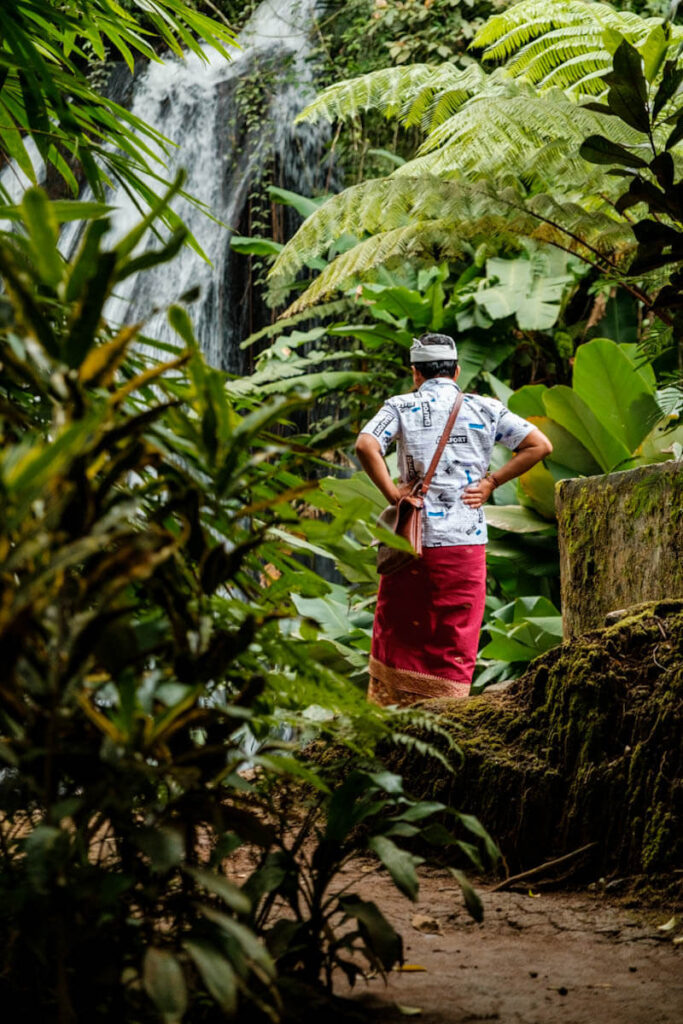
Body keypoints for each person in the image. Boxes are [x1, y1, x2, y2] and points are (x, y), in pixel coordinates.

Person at [355, 332, 553, 707]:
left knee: (400, 629)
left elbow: (366, 444)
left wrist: (394, 494)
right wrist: (492, 481)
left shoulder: (400, 405)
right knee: (454, 634)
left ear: (415, 373)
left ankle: (392, 720)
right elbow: (540, 445)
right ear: (457, 371)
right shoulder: (485, 408)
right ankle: (448, 718)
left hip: (410, 541)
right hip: (464, 542)